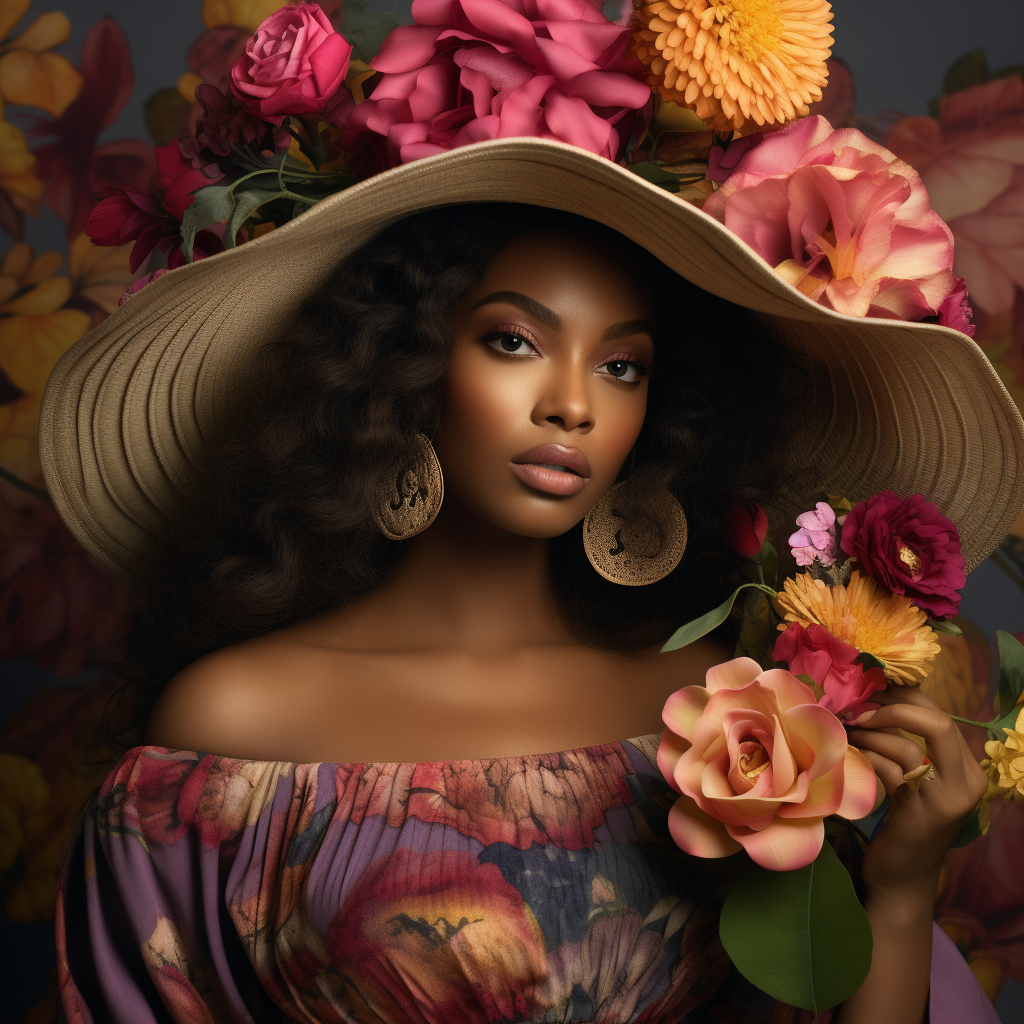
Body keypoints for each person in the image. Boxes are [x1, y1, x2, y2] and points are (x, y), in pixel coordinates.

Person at [39, 17, 1023, 1023]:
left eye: (621, 363)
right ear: (407, 364)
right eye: (514, 341)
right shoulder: (229, 729)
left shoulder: (726, 726)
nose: (573, 404)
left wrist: (899, 892)